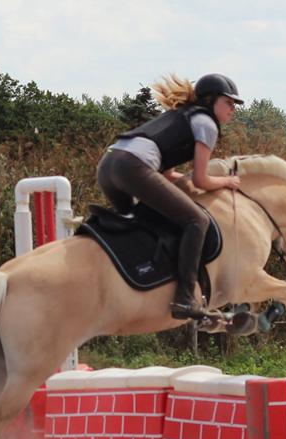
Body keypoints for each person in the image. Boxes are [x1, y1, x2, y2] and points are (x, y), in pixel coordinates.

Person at [96, 73, 243, 320]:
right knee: (197, 221)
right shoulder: (206, 123)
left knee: (137, 224)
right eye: (228, 102)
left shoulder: (181, 117)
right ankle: (185, 300)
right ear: (210, 101)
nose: (233, 109)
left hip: (109, 166)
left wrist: (185, 181)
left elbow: (166, 175)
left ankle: (137, 277)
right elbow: (201, 180)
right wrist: (228, 181)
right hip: (132, 168)